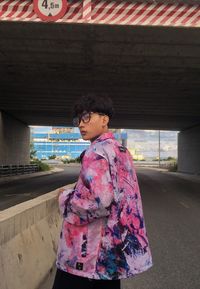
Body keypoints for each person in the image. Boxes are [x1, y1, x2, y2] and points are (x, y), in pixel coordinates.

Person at [52, 94, 153, 289]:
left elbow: (98, 202)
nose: (81, 124)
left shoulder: (95, 152)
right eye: (78, 119)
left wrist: (65, 198)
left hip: (88, 251)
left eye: (87, 117)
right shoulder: (121, 150)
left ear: (105, 119)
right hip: (112, 249)